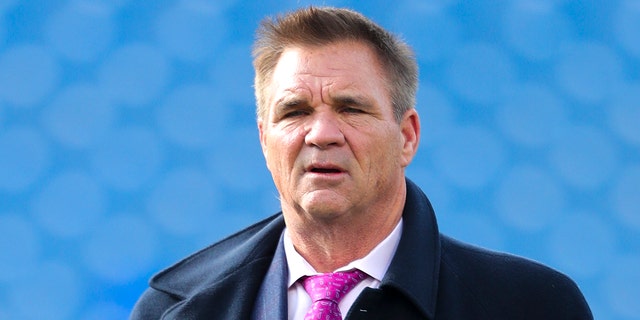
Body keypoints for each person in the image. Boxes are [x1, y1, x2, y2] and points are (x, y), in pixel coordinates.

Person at [130, 6, 593, 320]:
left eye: (351, 108)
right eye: (294, 112)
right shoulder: (174, 309)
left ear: (407, 136)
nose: (322, 133)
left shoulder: (530, 306)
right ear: (264, 140)